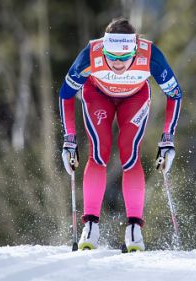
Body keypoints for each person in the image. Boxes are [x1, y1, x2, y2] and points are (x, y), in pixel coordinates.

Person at [59, 17, 182, 252]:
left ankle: (134, 229)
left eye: (124, 58)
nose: (117, 64)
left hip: (135, 98)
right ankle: (91, 226)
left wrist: (167, 139)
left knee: (129, 154)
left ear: (135, 49)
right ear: (103, 49)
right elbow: (65, 94)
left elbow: (175, 94)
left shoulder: (150, 57)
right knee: (99, 151)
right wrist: (69, 139)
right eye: (111, 57)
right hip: (97, 94)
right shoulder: (90, 56)